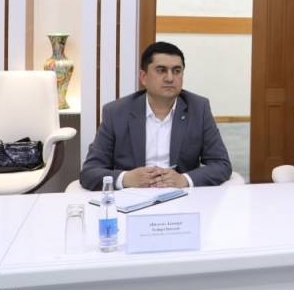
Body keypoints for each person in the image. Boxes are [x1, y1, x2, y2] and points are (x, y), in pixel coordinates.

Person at [79, 41, 231, 190]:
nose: (170, 78)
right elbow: (90, 172)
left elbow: (221, 164)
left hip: (181, 195)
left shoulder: (198, 108)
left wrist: (184, 180)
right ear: (143, 77)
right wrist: (126, 179)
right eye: (161, 70)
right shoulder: (116, 112)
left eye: (176, 71)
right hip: (132, 197)